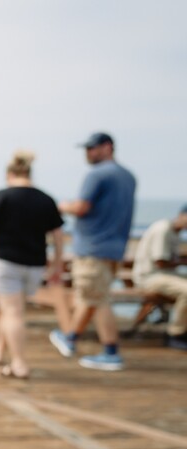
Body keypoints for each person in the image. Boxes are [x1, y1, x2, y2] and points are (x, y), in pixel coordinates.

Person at [0, 150, 65, 379]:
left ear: (9, 174)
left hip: (4, 263)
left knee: (13, 312)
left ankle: (19, 365)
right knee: (8, 308)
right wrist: (57, 265)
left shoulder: (2, 196)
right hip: (34, 265)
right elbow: (58, 236)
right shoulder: (46, 199)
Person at [50, 132, 138, 370]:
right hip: (116, 248)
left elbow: (82, 207)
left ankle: (111, 352)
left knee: (97, 299)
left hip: (92, 248)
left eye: (92, 148)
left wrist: (60, 205)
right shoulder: (128, 176)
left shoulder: (97, 174)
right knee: (90, 297)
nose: (88, 153)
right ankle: (70, 338)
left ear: (108, 147)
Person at [131, 204, 187, 350]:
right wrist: (183, 261)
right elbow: (161, 261)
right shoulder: (163, 229)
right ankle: (176, 334)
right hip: (150, 277)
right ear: (182, 215)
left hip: (164, 275)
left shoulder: (175, 232)